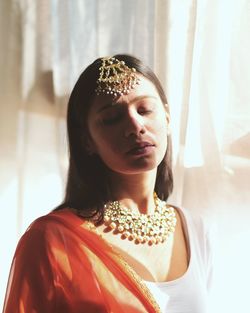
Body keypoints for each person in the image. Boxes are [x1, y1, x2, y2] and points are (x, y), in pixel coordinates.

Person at [3, 54, 213, 313]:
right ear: (86, 141)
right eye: (112, 118)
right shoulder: (52, 240)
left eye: (145, 109)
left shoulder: (195, 230)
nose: (135, 126)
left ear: (167, 118)